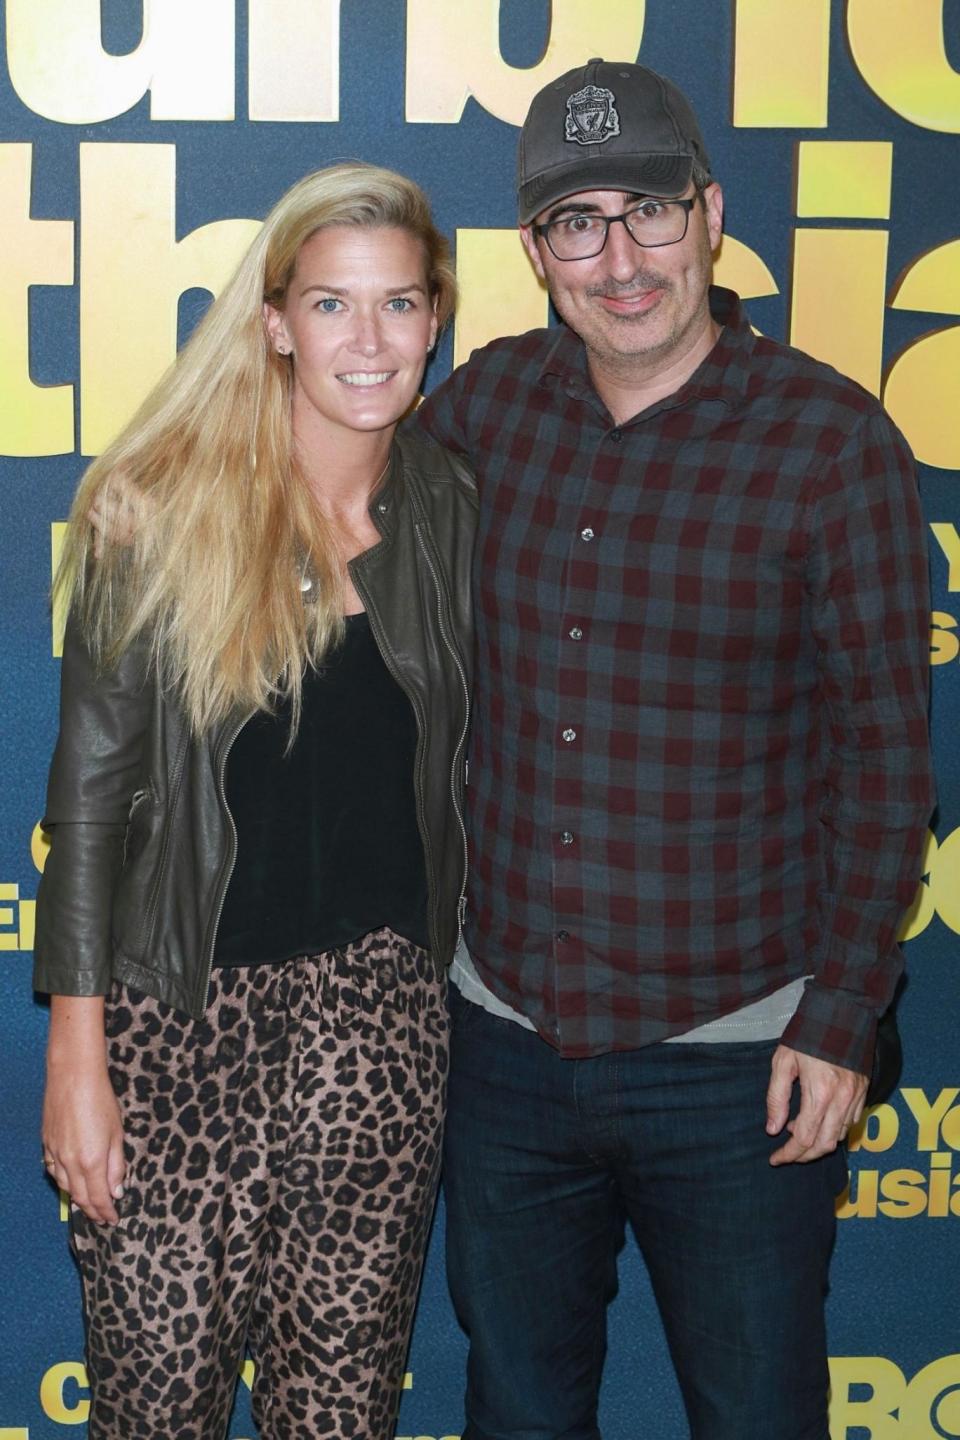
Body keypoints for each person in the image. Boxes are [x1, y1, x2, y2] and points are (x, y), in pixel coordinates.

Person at [413, 60, 934, 1440]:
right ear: (536, 253)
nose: (621, 257)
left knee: (756, 1415)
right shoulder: (479, 412)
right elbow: (313, 528)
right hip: (509, 1047)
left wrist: (838, 1022)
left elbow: (890, 764)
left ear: (710, 215)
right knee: (518, 1413)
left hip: (741, 1058)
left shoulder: (832, 442)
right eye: (578, 223)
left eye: (648, 209)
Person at [33, 162, 475, 1440]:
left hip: (381, 1035)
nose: (369, 340)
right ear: (275, 319)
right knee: (156, 1411)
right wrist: (79, 1060)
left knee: (339, 1417)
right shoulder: (159, 513)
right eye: (333, 305)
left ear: (437, 317)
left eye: (398, 304)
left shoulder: (451, 508)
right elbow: (91, 814)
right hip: (175, 1034)